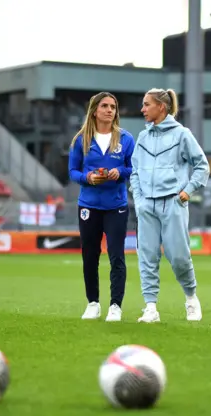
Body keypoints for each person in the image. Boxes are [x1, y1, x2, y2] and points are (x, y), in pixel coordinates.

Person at [130, 88, 210, 323]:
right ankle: (151, 308)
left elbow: (202, 165)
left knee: (179, 257)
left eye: (146, 104)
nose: (142, 109)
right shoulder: (142, 137)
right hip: (147, 206)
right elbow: (135, 171)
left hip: (173, 204)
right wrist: (139, 199)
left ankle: (191, 298)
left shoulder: (182, 134)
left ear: (161, 107)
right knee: (147, 256)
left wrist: (187, 191)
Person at [68, 92, 135, 322]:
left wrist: (120, 172)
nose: (110, 110)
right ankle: (93, 303)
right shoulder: (81, 140)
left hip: (116, 205)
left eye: (113, 107)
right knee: (90, 255)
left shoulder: (126, 139)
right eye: (105, 106)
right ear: (94, 110)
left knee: (116, 256)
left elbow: (133, 168)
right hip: (89, 205)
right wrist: (88, 178)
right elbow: (72, 172)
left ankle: (115, 305)